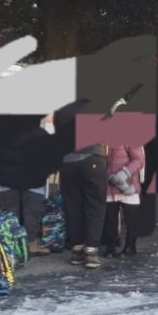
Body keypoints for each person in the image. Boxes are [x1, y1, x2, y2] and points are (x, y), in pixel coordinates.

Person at [54, 101, 109, 269]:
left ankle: (77, 250)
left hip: (67, 160)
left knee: (72, 204)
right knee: (95, 204)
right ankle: (91, 251)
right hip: (92, 157)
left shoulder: (61, 110)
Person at [0, 113, 56, 256]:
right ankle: (30, 244)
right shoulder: (41, 133)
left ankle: (11, 246)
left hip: (8, 180)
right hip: (33, 180)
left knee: (10, 215)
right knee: (32, 213)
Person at [101, 143, 145, 256]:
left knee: (131, 219)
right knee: (110, 219)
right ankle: (110, 247)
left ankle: (130, 246)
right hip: (109, 185)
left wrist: (124, 174)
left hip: (127, 184)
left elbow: (139, 159)